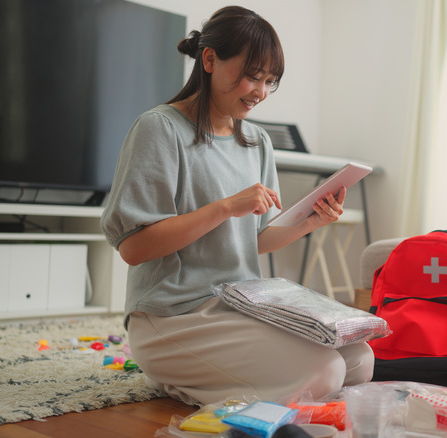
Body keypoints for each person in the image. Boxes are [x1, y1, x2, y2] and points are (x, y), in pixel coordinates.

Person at [100, 6, 374, 406]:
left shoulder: (256, 141)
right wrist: (224, 207)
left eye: (269, 81)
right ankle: (182, 381)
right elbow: (134, 248)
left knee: (358, 360)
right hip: (172, 316)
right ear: (209, 60)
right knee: (326, 372)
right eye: (251, 75)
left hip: (237, 306)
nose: (259, 92)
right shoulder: (159, 129)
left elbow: (255, 241)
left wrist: (310, 220)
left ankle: (225, 382)